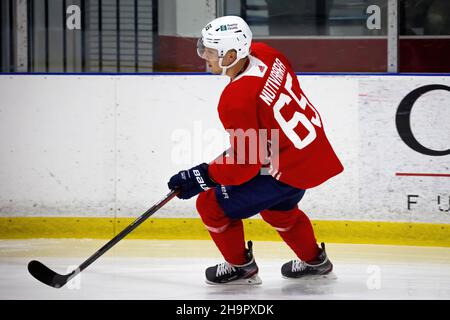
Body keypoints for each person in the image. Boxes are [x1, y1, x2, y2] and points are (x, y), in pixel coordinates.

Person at [168, 16, 344, 285]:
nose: (205, 57)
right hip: (309, 154)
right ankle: (314, 262)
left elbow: (245, 165)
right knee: (278, 211)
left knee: (210, 204)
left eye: (212, 52)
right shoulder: (266, 54)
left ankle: (240, 268)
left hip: (285, 167)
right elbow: (262, 124)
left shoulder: (236, 99)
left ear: (231, 54)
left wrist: (201, 176)